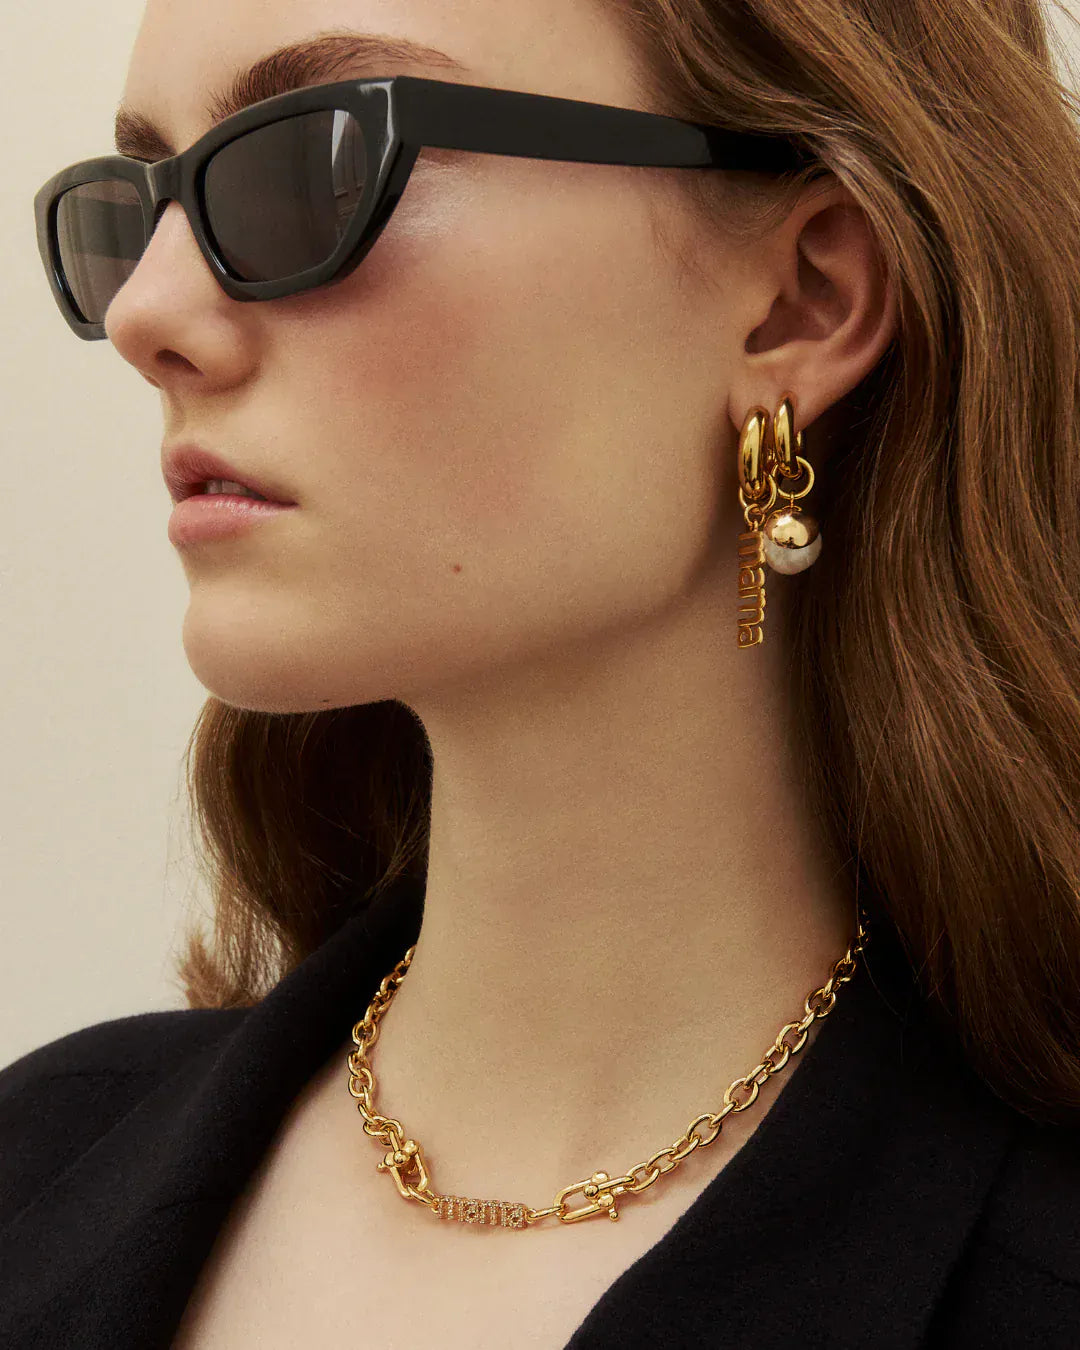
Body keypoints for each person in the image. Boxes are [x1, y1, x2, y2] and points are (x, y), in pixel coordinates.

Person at [5, 0, 1080, 1344]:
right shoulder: (32, 1174)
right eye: (135, 208)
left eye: (313, 163)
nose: (145, 313)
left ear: (803, 300)